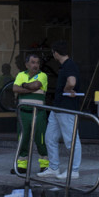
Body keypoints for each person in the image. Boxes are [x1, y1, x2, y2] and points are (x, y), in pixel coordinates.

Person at [37, 40, 82, 180]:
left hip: (66, 108)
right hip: (57, 108)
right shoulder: (66, 66)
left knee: (71, 140)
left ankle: (74, 170)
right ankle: (54, 168)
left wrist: (67, 89)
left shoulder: (69, 65)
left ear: (56, 53)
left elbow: (72, 82)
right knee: (50, 137)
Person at [11, 54, 49, 174]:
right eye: (32, 62)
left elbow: (36, 85)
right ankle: (22, 166)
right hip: (24, 114)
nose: (35, 65)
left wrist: (23, 86)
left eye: (37, 62)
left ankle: (45, 165)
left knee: (41, 140)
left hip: (39, 113)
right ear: (27, 64)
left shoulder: (43, 75)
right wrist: (29, 88)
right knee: (23, 139)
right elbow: (14, 89)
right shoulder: (21, 75)